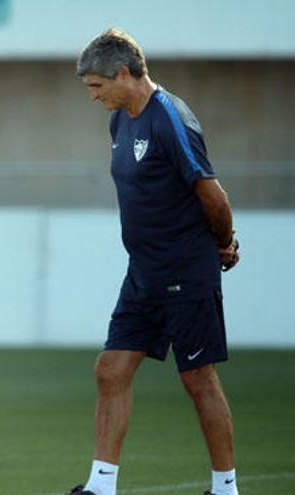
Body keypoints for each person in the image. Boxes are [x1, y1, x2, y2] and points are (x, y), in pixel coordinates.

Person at [67, 29, 241, 495]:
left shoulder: (171, 120)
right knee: (111, 369)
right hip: (142, 273)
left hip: (185, 270)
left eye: (97, 85)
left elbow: (214, 196)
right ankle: (101, 487)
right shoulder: (120, 120)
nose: (93, 95)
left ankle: (226, 490)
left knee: (198, 379)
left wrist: (225, 244)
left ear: (124, 73)